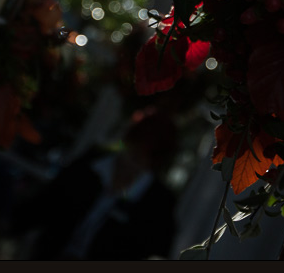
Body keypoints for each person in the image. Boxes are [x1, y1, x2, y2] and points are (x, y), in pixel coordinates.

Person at [13, 109, 179, 260]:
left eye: (143, 158)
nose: (132, 164)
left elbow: (156, 253)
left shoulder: (158, 203)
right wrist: (8, 225)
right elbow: (46, 202)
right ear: (128, 140)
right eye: (134, 151)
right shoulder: (91, 165)